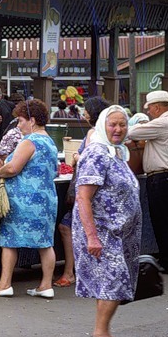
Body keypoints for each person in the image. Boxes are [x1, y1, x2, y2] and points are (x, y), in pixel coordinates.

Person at [73, 105, 141, 337]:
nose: (118, 129)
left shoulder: (117, 153)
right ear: (103, 125)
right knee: (114, 279)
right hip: (101, 231)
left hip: (118, 233)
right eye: (113, 124)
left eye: (122, 124)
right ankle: (100, 333)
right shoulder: (97, 153)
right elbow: (83, 197)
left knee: (111, 281)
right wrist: (92, 236)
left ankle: (104, 331)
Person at [0, 99, 58, 298]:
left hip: (24, 200)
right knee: (45, 243)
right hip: (47, 199)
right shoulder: (49, 141)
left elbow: (14, 168)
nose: (19, 125)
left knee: (9, 241)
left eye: (21, 120)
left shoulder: (30, 141)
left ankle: (4, 284)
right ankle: (46, 285)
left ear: (32, 120)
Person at [56, 96, 112, 287]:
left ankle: (70, 272)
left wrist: (78, 156)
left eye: (86, 110)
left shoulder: (93, 133)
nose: (84, 112)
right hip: (100, 191)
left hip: (88, 190)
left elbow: (89, 159)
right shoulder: (106, 133)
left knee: (67, 226)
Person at [127, 89, 168, 272]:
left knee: (163, 220)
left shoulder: (163, 123)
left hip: (162, 177)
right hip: (165, 177)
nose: (148, 113)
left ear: (158, 107)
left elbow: (132, 132)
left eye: (150, 109)